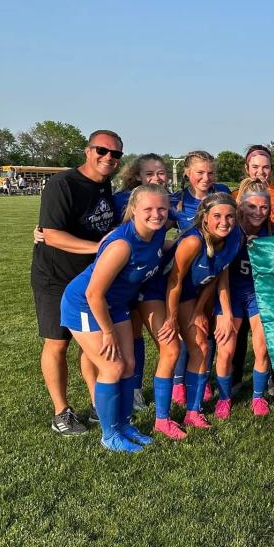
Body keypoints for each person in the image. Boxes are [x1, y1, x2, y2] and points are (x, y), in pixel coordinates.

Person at [59, 184, 169, 452]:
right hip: (86, 304)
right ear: (133, 210)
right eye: (148, 209)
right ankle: (109, 435)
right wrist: (107, 332)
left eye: (162, 208)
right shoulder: (121, 244)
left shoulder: (156, 234)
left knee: (129, 365)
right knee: (112, 367)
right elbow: (93, 292)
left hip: (115, 303)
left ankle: (124, 424)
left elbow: (164, 247)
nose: (156, 214)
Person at [31, 130, 122, 435]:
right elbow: (53, 235)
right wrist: (99, 248)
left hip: (90, 278)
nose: (108, 157)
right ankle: (62, 412)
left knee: (91, 341)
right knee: (57, 343)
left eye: (115, 154)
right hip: (56, 276)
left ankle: (99, 402)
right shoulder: (62, 184)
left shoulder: (106, 185)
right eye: (102, 150)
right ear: (87, 150)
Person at [156, 192, 242, 427]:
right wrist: (173, 318)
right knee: (185, 347)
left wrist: (199, 311)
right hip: (168, 291)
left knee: (202, 346)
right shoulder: (193, 241)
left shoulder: (235, 236)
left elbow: (219, 272)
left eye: (230, 216)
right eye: (217, 216)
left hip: (194, 294)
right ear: (204, 217)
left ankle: (192, 412)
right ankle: (166, 416)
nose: (224, 222)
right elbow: (175, 281)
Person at [113, 154, 174, 410]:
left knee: (168, 342)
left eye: (161, 173)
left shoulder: (169, 199)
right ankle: (132, 390)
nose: (156, 178)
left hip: (150, 279)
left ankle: (172, 390)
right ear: (137, 176)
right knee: (131, 337)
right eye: (149, 174)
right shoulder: (121, 201)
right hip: (122, 280)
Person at [215, 181, 274, 418]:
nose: (258, 212)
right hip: (230, 294)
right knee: (226, 350)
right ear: (241, 206)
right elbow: (219, 274)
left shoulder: (272, 230)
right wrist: (225, 312)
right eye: (252, 207)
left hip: (259, 295)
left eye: (263, 207)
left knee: (261, 349)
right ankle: (224, 397)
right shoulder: (230, 230)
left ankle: (258, 397)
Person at [237, 145, 274, 224]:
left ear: (271, 169)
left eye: (266, 167)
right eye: (255, 167)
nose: (261, 171)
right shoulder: (236, 194)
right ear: (247, 168)